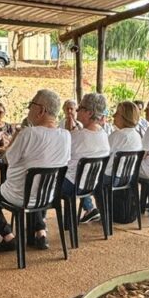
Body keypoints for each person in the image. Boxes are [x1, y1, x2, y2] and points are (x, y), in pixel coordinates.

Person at [0, 89, 70, 252]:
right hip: (47, 195)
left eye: (31, 105)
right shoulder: (66, 135)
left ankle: (8, 236)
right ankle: (40, 232)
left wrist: (16, 135)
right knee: (34, 189)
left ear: (41, 110)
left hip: (18, 195)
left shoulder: (28, 134)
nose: (28, 109)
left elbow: (8, 159)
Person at [64, 92, 110, 224]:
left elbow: (61, 157)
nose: (77, 111)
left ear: (89, 113)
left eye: (80, 108)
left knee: (42, 182)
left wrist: (69, 133)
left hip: (72, 185)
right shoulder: (104, 135)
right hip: (92, 184)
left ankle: (40, 227)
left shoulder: (77, 136)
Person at [105, 101, 143, 180]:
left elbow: (103, 153)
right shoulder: (137, 135)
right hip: (128, 177)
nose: (113, 115)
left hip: (111, 178)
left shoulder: (118, 135)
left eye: (117, 113)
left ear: (126, 117)